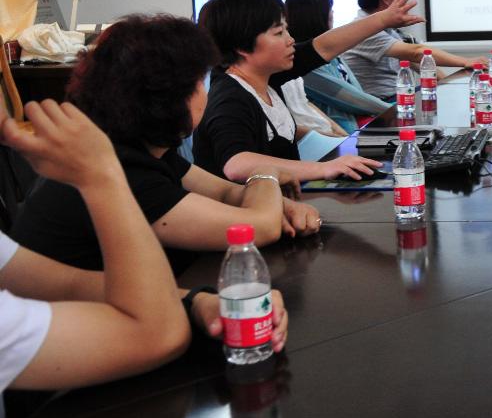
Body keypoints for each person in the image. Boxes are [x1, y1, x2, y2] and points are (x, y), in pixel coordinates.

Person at [0, 100, 288, 401]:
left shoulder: (148, 155)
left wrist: (197, 301)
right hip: (48, 414)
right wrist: (102, 175)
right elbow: (159, 333)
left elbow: (68, 282)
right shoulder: (125, 167)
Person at [9, 15, 320, 275]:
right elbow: (260, 227)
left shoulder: (142, 148)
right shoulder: (125, 169)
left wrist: (278, 203)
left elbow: (227, 192)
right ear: (168, 97)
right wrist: (266, 173)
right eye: (199, 82)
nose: (205, 92)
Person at [195, 0, 422, 183]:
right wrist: (322, 169)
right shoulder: (230, 96)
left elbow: (323, 47)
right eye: (278, 32)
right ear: (242, 47)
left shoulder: (266, 76)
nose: (290, 39)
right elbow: (237, 165)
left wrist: (383, 19)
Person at [342, 0, 486, 100]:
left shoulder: (387, 28)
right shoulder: (365, 30)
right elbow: (416, 53)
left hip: (398, 98)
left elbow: (421, 62)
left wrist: (449, 87)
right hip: (384, 106)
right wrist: (465, 61)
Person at [284, 0, 390, 135]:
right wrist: (395, 109)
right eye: (330, 9)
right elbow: (350, 98)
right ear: (317, 16)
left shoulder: (330, 52)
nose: (333, 14)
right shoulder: (302, 63)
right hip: (345, 132)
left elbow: (356, 92)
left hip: (353, 127)